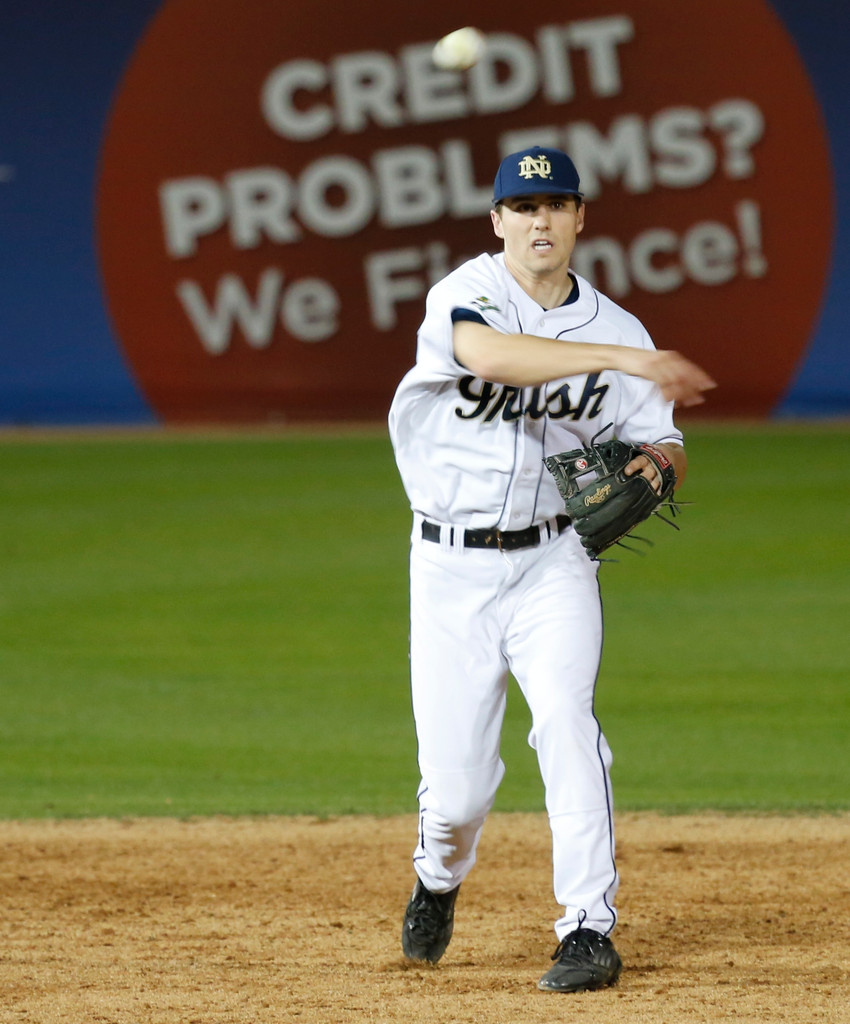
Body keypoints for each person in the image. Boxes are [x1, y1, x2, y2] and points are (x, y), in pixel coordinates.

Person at [387, 146, 715, 993]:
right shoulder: (465, 294)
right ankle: (436, 875)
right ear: (497, 221)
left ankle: (587, 929)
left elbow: (667, 442)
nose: (540, 220)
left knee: (569, 728)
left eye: (556, 205)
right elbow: (491, 359)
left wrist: (660, 467)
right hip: (449, 567)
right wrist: (623, 362)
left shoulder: (617, 326)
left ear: (579, 219)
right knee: (457, 791)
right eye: (523, 207)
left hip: (553, 561)